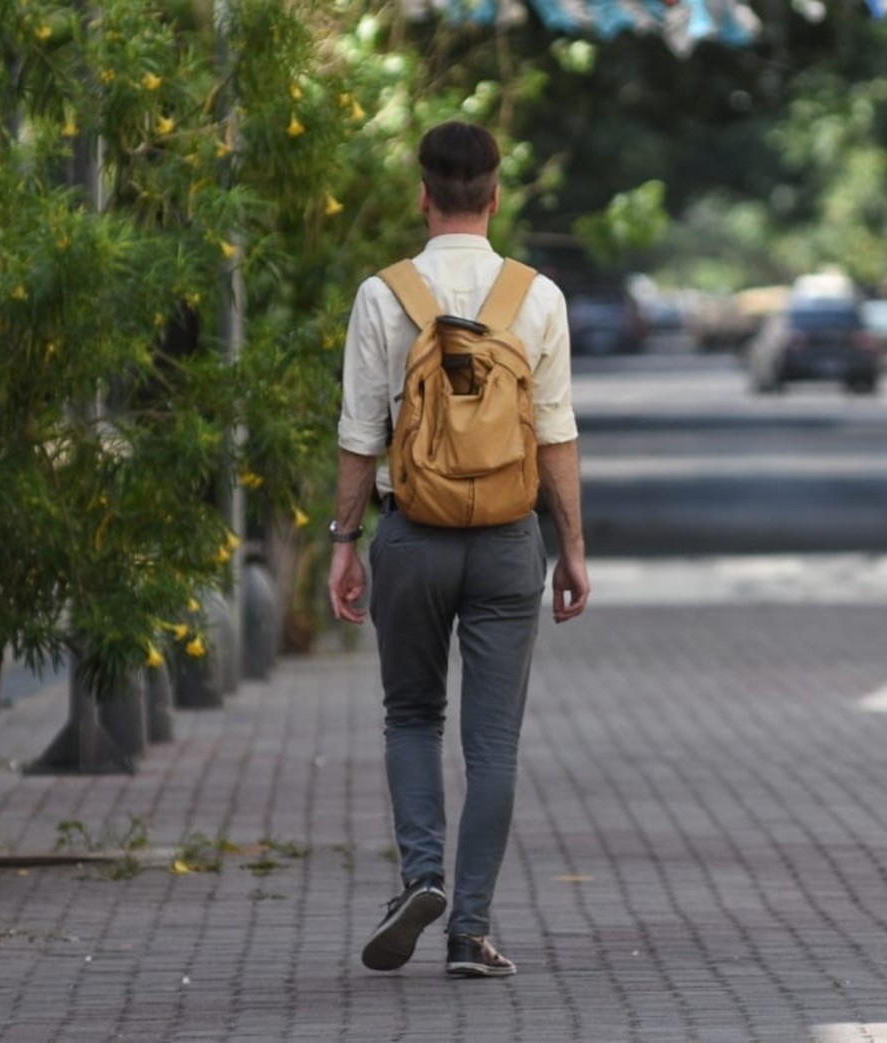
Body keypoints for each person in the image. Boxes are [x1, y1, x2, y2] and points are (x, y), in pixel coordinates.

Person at [327, 120, 591, 978]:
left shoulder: (384, 294)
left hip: (411, 533)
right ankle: (469, 931)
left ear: (424, 195)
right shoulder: (536, 297)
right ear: (495, 195)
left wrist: (345, 541)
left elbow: (358, 437)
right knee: (494, 746)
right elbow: (555, 436)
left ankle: (420, 877)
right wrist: (573, 549)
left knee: (411, 714)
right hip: (510, 541)